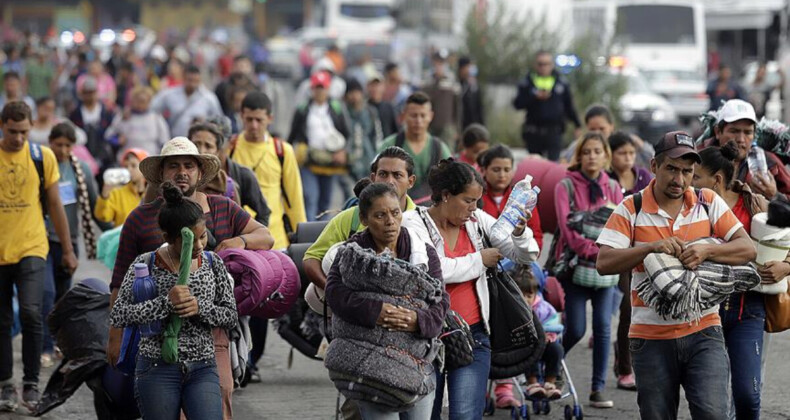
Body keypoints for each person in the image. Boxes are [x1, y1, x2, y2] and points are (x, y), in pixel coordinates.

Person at [106, 137, 274, 420]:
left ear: (199, 173)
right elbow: (120, 285)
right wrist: (115, 339)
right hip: (156, 355)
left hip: (209, 347)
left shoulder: (222, 209)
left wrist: (237, 242)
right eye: (174, 166)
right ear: (161, 174)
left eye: (189, 166)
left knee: (218, 404)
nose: (182, 172)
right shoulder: (140, 220)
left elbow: (265, 237)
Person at [596, 131, 756, 419]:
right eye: (671, 168)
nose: (679, 180)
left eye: (687, 172)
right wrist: (650, 248)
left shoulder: (707, 201)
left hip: (704, 330)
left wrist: (706, 251)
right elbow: (604, 262)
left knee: (714, 414)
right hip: (649, 337)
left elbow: (747, 248)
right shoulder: (630, 208)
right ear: (654, 166)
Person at [401, 159, 540, 419]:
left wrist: (520, 232)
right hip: (425, 338)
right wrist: (479, 261)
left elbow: (524, 255)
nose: (473, 208)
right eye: (467, 200)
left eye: (477, 201)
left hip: (474, 336)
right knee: (424, 415)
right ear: (445, 196)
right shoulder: (412, 222)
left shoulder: (476, 222)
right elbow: (430, 272)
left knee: (465, 415)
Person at [109, 181, 237, 420]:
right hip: (156, 368)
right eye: (191, 240)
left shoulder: (212, 262)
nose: (199, 245)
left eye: (203, 236)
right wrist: (165, 303)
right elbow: (119, 314)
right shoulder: (145, 264)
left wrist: (200, 308)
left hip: (203, 366)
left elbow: (230, 315)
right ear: (168, 238)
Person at [324, 183, 450, 419]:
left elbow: (440, 300)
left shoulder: (422, 252)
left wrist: (417, 320)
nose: (390, 221)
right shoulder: (351, 254)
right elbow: (335, 294)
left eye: (395, 213)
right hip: (371, 368)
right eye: (380, 215)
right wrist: (377, 311)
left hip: (416, 363)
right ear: (364, 219)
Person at [0, 101, 78, 412]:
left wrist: (68, 249)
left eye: (24, 131)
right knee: (2, 319)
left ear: (31, 128)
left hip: (33, 246)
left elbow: (56, 205)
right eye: (12, 131)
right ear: (3, 126)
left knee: (32, 312)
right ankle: (6, 384)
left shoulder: (41, 156)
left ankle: (31, 383)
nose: (18, 138)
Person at [693, 142, 776, 420]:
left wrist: (785, 267)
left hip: (747, 312)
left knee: (748, 397)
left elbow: (785, 242)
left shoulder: (755, 204)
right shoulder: (690, 207)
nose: (686, 182)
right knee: (710, 405)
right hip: (704, 313)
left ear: (716, 179)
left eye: (695, 176)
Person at [554, 131, 623, 408]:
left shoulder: (614, 187)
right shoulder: (566, 186)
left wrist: (608, 254)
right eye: (587, 151)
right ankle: (551, 362)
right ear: (579, 155)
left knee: (604, 328)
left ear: (606, 156)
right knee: (576, 328)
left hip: (606, 270)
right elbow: (567, 229)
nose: (592, 156)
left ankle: (597, 389)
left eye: (597, 151)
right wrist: (595, 252)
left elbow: (620, 225)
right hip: (575, 268)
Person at [40, 122, 102, 368]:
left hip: (69, 241)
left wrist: (116, 230)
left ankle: (59, 345)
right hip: (42, 239)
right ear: (50, 142)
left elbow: (96, 205)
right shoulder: (42, 166)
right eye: (58, 144)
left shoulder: (81, 170)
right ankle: (44, 346)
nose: (63, 150)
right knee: (45, 293)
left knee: (62, 297)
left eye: (68, 145)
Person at [230, 91, 306, 250]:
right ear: (241, 116)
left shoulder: (283, 151)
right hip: (239, 240)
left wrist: (302, 238)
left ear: (270, 119)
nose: (254, 125)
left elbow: (294, 198)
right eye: (249, 119)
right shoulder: (230, 148)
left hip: (275, 240)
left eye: (259, 120)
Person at [288, 70, 351, 221]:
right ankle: (309, 235)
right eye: (317, 87)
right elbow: (293, 134)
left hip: (330, 161)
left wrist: (343, 151)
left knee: (325, 202)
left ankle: (322, 235)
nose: (320, 91)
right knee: (310, 197)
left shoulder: (336, 108)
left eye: (322, 87)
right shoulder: (303, 109)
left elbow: (346, 133)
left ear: (328, 89)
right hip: (309, 160)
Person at [701, 99, 790, 199]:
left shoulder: (769, 162)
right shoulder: (701, 158)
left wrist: (774, 195)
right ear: (718, 132)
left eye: (748, 132)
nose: (741, 139)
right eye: (734, 131)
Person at [189, 120, 271, 226]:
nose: (201, 150)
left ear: (219, 149)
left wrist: (247, 239)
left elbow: (261, 215)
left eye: (208, 146)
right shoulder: (181, 181)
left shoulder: (231, 185)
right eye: (196, 144)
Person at [377, 92, 452, 205]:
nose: (418, 121)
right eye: (414, 115)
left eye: (423, 115)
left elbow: (450, 183)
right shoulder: (389, 145)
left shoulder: (440, 149)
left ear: (431, 116)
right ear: (404, 115)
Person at [513, 51, 581, 161]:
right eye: (541, 64)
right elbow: (517, 104)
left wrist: (577, 124)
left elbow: (569, 106)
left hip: (554, 131)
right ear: (535, 65)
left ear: (552, 64)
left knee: (553, 165)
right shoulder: (527, 82)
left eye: (547, 64)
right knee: (534, 167)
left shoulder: (561, 83)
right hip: (534, 131)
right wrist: (534, 97)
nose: (544, 67)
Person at [478, 145, 543, 250]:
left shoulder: (524, 199)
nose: (502, 175)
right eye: (496, 169)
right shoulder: (476, 198)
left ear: (513, 172)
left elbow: (536, 237)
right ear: (484, 170)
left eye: (507, 170)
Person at [516, 265, 564, 401]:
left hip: (545, 341)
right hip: (524, 345)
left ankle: (550, 382)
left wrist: (547, 333)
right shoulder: (513, 310)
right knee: (530, 349)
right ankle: (532, 382)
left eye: (529, 296)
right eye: (521, 295)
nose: (525, 299)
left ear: (536, 294)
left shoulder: (544, 308)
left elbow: (555, 323)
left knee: (557, 349)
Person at [560, 104, 655, 168]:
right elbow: (563, 162)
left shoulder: (624, 144)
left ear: (611, 126)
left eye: (602, 129)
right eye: (592, 130)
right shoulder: (580, 145)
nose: (597, 133)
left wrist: (640, 145)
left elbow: (652, 161)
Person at [150, 64, 223, 137]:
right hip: (175, 140)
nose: (193, 84)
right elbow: (153, 108)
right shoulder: (170, 94)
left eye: (196, 81)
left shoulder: (208, 97)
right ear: (184, 78)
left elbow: (219, 120)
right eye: (190, 80)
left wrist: (205, 122)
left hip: (198, 141)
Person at [105, 86, 170, 157]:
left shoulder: (156, 118)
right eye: (137, 100)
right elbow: (108, 136)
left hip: (149, 159)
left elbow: (165, 142)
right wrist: (117, 141)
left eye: (143, 101)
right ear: (132, 100)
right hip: (128, 160)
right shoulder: (123, 116)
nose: (140, 104)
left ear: (149, 101)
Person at [68, 76, 117, 171]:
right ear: (82, 94)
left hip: (103, 155)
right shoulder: (75, 113)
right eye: (87, 93)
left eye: (92, 92)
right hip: (83, 155)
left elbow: (112, 131)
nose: (90, 96)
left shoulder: (106, 111)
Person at [94, 148, 148, 227]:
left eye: (133, 165)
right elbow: (103, 216)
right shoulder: (117, 193)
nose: (129, 169)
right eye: (126, 166)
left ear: (144, 168)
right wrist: (104, 194)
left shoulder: (153, 192)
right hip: (124, 238)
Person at [343, 78, 383, 182]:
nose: (354, 96)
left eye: (356, 92)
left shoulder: (370, 111)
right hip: (349, 160)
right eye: (351, 92)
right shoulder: (343, 112)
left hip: (368, 157)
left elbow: (377, 135)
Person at [423, 50, 460, 144]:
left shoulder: (452, 80)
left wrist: (456, 127)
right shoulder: (428, 79)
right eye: (437, 62)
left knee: (447, 154)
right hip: (429, 124)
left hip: (447, 125)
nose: (439, 65)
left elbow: (458, 105)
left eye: (442, 62)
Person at [607, 131, 654, 196]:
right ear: (610, 154)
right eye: (622, 153)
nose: (628, 158)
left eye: (631, 153)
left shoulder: (643, 176)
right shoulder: (605, 179)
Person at [366, 73, 399, 138]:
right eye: (372, 85)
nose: (375, 88)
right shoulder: (363, 108)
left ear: (383, 87)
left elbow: (395, 130)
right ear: (367, 87)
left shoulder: (389, 107)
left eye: (377, 85)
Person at [458, 56, 484, 130]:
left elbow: (479, 107)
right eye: (468, 66)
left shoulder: (474, 85)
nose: (470, 69)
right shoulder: (456, 85)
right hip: (461, 126)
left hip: (474, 125)